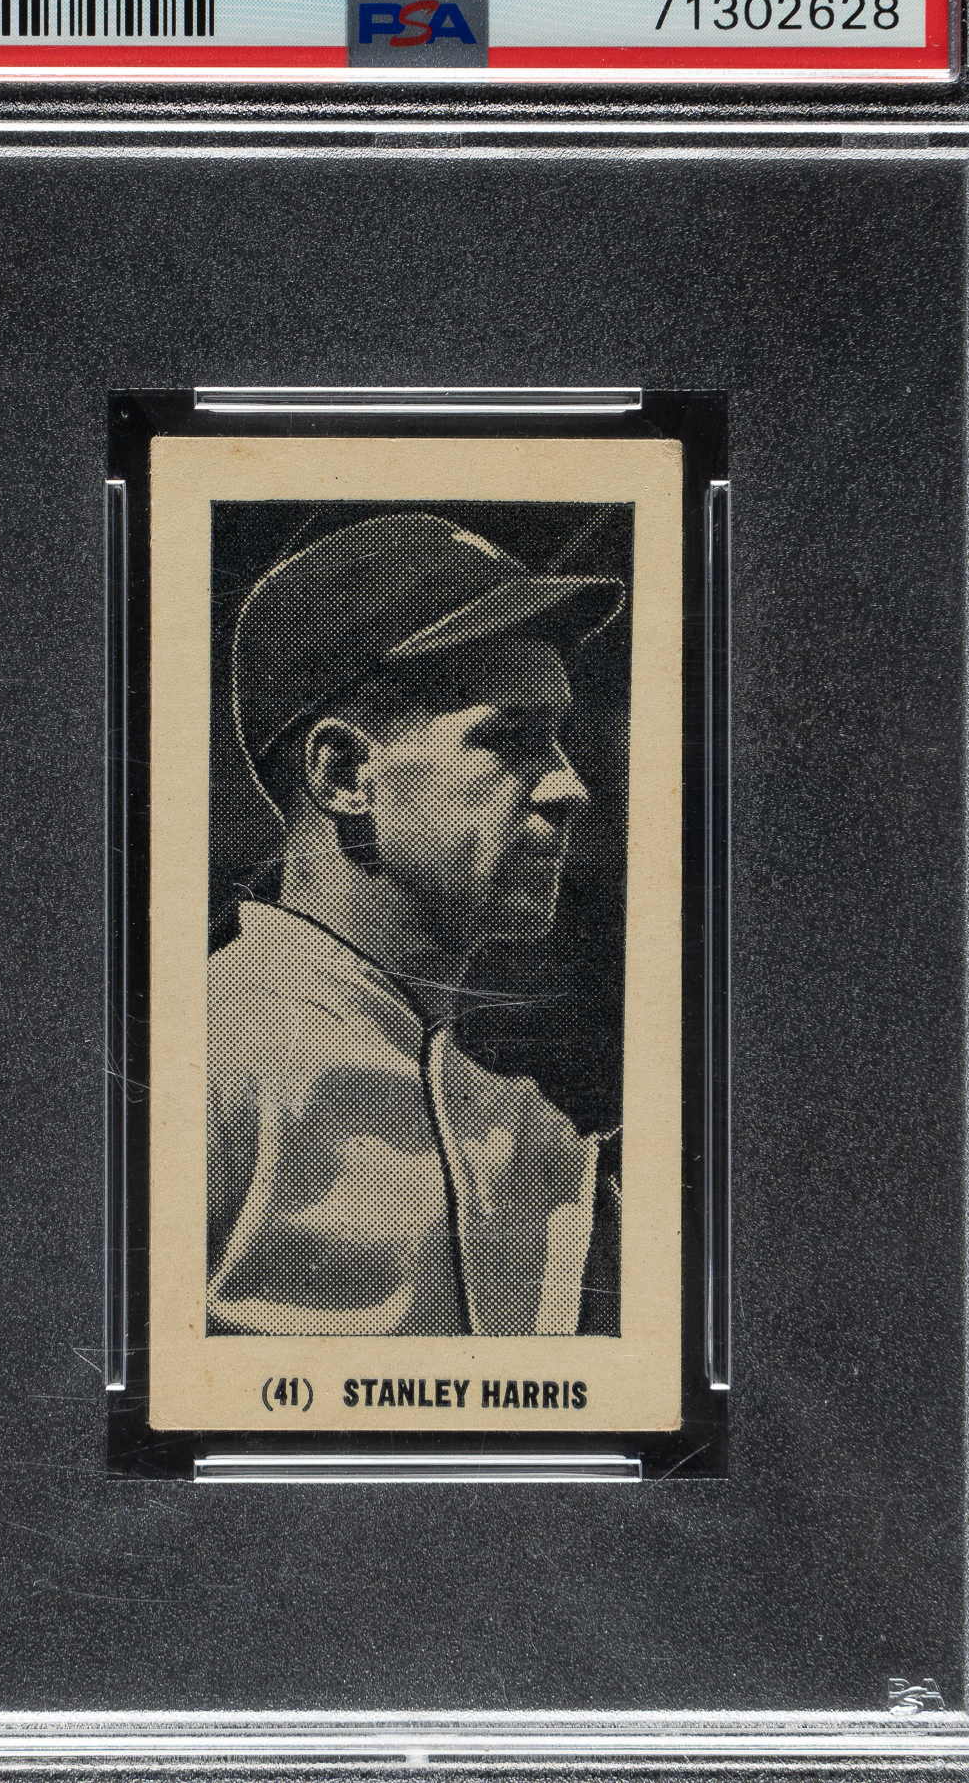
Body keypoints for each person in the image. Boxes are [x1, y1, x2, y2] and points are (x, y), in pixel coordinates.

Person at [206, 510, 625, 1339]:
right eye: (510, 739)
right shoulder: (205, 1057)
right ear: (345, 774)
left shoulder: (530, 1129)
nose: (569, 788)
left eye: (559, 741)